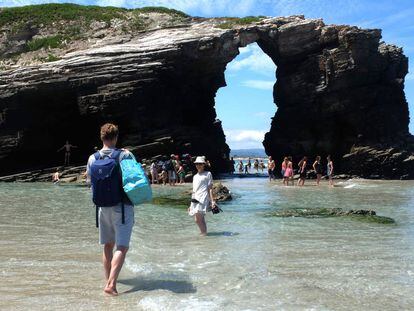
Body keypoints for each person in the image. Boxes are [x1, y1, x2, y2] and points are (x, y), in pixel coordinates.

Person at [86, 123, 135, 296]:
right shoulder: (125, 155)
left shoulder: (92, 158)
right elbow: (134, 181)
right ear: (115, 137)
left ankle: (108, 278)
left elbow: (89, 183)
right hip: (121, 207)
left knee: (108, 245)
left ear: (101, 137)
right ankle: (111, 284)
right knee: (122, 247)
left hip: (101, 207)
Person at [188, 156, 216, 236]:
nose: (198, 165)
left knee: (198, 219)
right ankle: (204, 234)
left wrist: (213, 201)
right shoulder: (195, 176)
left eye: (200, 164)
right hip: (195, 198)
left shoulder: (208, 174)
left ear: (204, 164)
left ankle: (203, 234)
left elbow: (210, 189)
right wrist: (191, 205)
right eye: (197, 164)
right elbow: (194, 191)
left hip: (203, 197)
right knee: (200, 219)